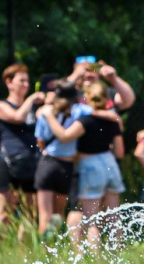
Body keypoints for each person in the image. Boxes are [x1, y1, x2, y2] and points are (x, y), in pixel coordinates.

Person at [38, 81, 122, 248]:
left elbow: (64, 136)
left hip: (90, 164)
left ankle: (94, 260)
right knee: (114, 217)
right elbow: (119, 152)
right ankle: (117, 251)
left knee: (91, 220)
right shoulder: (113, 121)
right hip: (110, 165)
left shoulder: (85, 121)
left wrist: (48, 116)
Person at [0, 63, 42, 237]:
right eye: (21, 81)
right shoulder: (0, 105)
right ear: (9, 82)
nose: (25, 85)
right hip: (8, 163)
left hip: (30, 163)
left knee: (31, 214)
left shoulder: (33, 109)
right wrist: (31, 99)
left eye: (27, 81)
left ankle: (23, 254)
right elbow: (17, 117)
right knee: (4, 213)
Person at [32, 81, 78, 236]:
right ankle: (56, 244)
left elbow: (40, 140)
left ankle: (45, 252)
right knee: (58, 214)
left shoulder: (46, 112)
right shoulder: (79, 112)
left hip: (48, 163)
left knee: (45, 214)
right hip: (67, 165)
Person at [63, 55, 136, 112]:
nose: (88, 75)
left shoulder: (107, 92)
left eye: (92, 70)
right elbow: (57, 94)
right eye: (84, 70)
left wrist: (114, 78)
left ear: (98, 73)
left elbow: (128, 101)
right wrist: (75, 75)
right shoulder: (70, 94)